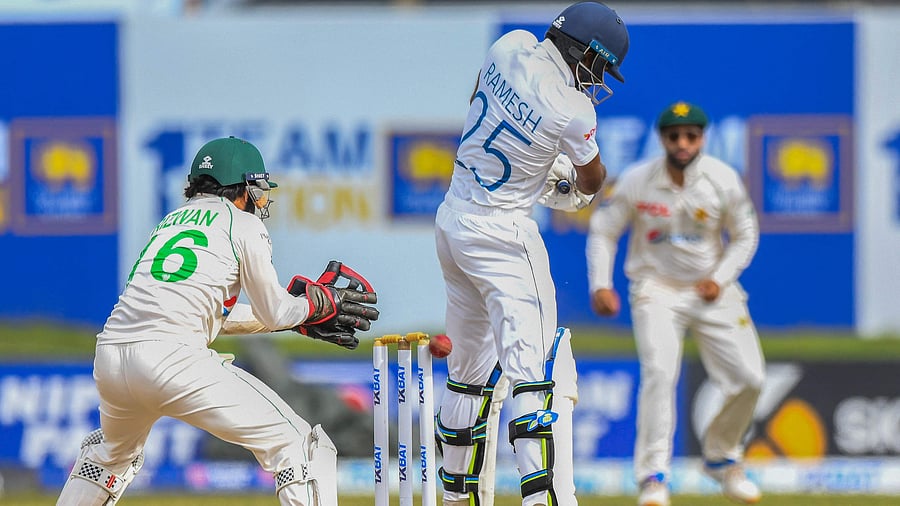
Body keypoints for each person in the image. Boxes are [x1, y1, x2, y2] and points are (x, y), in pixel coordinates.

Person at [56, 136, 379, 506]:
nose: (260, 200)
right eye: (256, 189)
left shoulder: (169, 222)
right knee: (301, 447)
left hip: (112, 357)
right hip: (172, 359)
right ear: (240, 188)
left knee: (110, 456)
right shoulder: (241, 223)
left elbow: (215, 314)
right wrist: (316, 306)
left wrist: (296, 314)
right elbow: (274, 310)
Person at [433, 3, 629, 505]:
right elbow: (592, 180)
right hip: (503, 236)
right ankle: (541, 500)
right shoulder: (574, 109)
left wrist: (533, 161)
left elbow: (477, 92)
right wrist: (557, 176)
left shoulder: (510, 45)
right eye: (599, 66)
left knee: (467, 377)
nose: (598, 79)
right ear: (583, 51)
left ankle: (456, 497)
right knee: (533, 373)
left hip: (454, 217)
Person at [586, 102, 766, 506]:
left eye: (691, 136)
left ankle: (722, 458)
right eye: (674, 136)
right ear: (662, 139)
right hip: (656, 289)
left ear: (702, 138)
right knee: (659, 374)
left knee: (750, 378)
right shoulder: (637, 180)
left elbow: (746, 235)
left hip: (711, 289)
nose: (682, 143)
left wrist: (719, 279)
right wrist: (600, 284)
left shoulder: (722, 179)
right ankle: (653, 478)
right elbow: (603, 230)